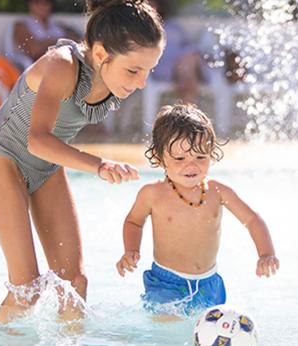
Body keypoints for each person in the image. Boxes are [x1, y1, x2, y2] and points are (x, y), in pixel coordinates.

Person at [0, 0, 165, 323]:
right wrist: (99, 165)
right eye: (134, 70)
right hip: (2, 158)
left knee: (74, 283)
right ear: (100, 54)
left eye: (148, 71)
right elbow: (37, 139)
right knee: (25, 289)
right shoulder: (63, 64)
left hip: (44, 168)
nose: (142, 82)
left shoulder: (115, 80)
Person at [115, 103, 280, 317]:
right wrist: (131, 250)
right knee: (167, 327)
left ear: (211, 153)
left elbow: (251, 219)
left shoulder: (218, 192)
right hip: (167, 282)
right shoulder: (153, 194)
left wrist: (266, 253)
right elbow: (134, 222)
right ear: (159, 157)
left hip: (209, 283)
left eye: (200, 157)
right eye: (180, 159)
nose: (191, 166)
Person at [148, 0, 205, 104]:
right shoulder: (142, 29)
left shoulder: (172, 25)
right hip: (161, 67)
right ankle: (188, 107)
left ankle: (186, 106)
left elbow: (186, 43)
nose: (150, 6)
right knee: (187, 64)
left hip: (184, 64)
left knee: (189, 61)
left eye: (152, 3)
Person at [8, 0, 81, 71]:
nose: (41, 6)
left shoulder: (58, 25)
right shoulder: (21, 25)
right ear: (29, 3)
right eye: (36, 2)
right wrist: (61, 41)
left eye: (46, 2)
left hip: (64, 64)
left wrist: (46, 43)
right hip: (40, 69)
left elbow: (78, 41)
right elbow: (34, 50)